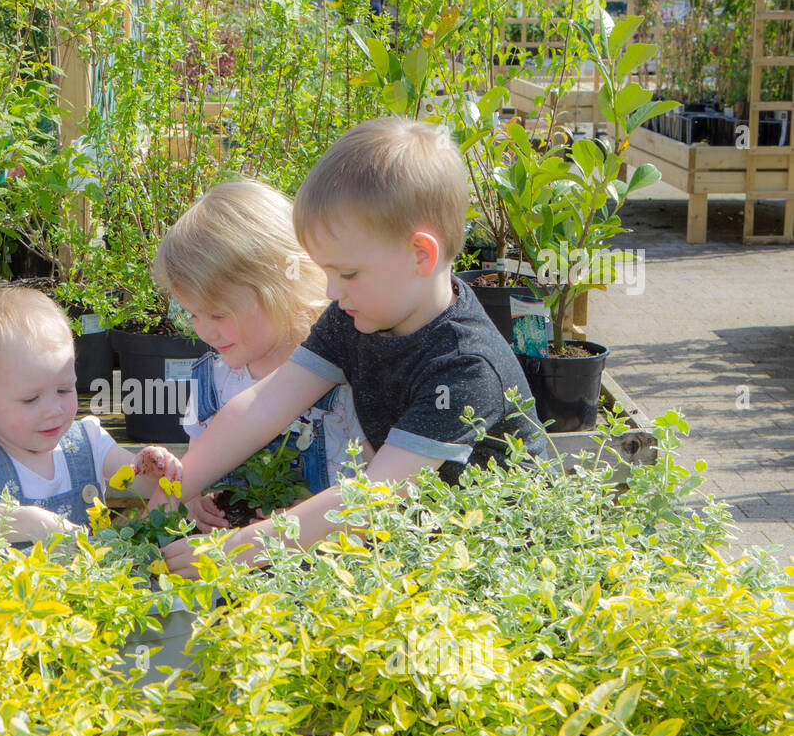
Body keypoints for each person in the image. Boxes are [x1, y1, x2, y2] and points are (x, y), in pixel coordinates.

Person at [160, 117, 550, 577]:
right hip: (417, 547)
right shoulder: (356, 317)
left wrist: (233, 551)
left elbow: (371, 499)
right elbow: (264, 404)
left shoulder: (465, 365)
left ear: (420, 255)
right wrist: (171, 494)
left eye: (346, 274)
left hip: (504, 567)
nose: (329, 291)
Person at [153, 179, 366, 531]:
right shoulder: (213, 379)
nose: (204, 332)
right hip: (227, 564)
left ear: (280, 286)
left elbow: (368, 481)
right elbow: (197, 467)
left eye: (219, 315)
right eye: (192, 314)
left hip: (322, 558)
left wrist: (310, 515)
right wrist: (193, 502)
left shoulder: (342, 369)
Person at [0, 287, 183, 544]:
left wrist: (151, 468)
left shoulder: (89, 441)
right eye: (31, 399)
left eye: (64, 389)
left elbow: (146, 488)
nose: (54, 410)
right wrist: (34, 522)